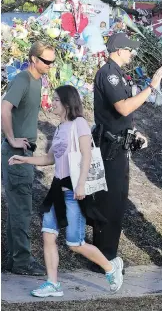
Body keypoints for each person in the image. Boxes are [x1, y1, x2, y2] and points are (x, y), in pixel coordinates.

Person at [8, 86, 124, 297]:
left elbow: (86, 155)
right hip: (57, 190)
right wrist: (24, 159)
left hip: (73, 190)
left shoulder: (79, 124)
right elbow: (49, 159)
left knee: (75, 242)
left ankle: (110, 267)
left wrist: (80, 185)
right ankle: (53, 284)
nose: (51, 103)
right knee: (48, 234)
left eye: (55, 100)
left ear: (67, 103)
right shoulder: (60, 127)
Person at [91, 33, 162, 272]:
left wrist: (133, 132)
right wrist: (151, 87)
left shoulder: (117, 74)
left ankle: (107, 255)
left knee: (117, 201)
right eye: (129, 49)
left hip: (118, 145)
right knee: (109, 202)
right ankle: (103, 258)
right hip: (109, 148)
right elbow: (123, 108)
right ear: (119, 50)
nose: (132, 53)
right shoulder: (109, 74)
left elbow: (123, 116)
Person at [1, 41, 55, 276]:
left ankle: (15, 261)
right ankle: (22, 262)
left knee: (17, 209)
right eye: (46, 61)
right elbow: (4, 109)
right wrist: (12, 139)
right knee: (21, 209)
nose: (50, 65)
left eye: (53, 62)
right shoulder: (23, 79)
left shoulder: (37, 80)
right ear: (33, 59)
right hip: (18, 153)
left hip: (24, 152)